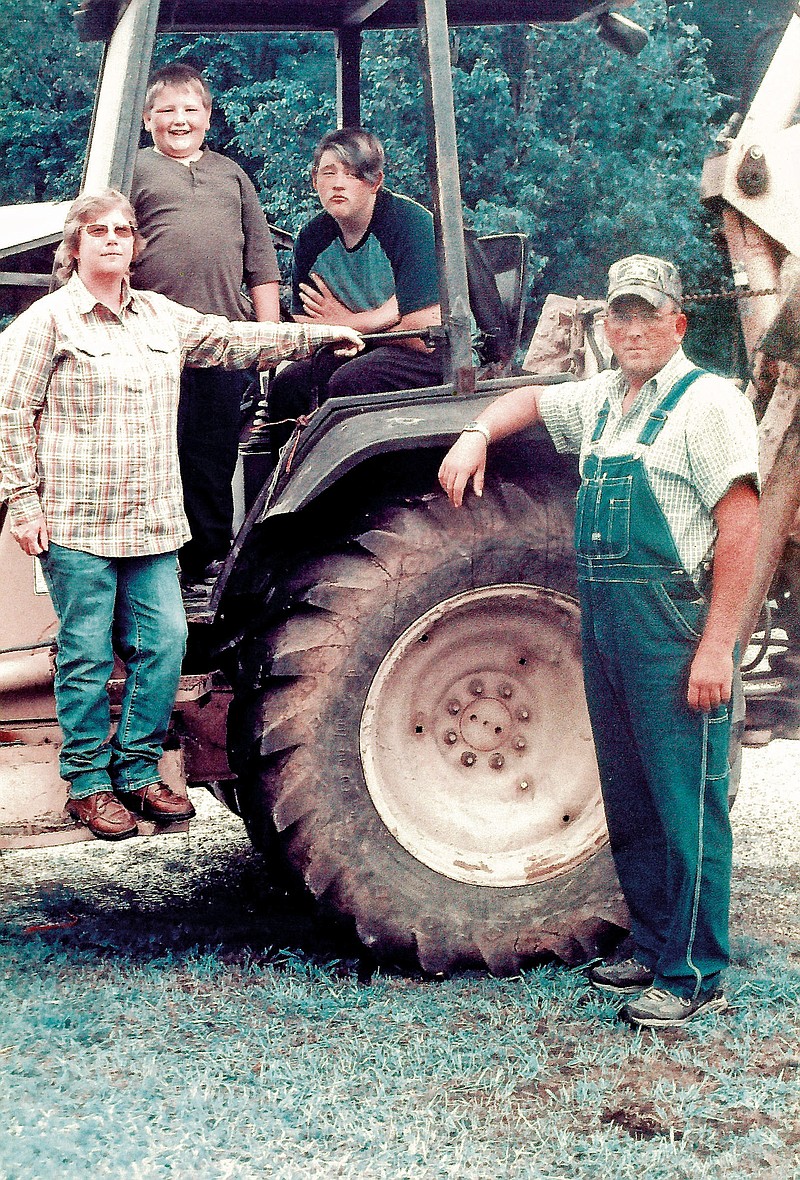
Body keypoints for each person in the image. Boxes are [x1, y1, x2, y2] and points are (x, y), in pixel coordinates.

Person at [439, 254, 761, 1029]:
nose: (635, 328)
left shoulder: (709, 405)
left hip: (672, 627)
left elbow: (742, 525)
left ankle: (693, 973)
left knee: (687, 800)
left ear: (679, 322)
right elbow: (529, 398)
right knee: (632, 795)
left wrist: (716, 648)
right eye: (622, 314)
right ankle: (651, 945)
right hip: (609, 625)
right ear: (606, 326)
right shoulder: (605, 399)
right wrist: (476, 432)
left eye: (650, 314)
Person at [0, 189, 361, 841]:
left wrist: (318, 336)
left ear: (136, 246)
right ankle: (86, 784)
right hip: (78, 524)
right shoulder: (47, 323)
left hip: (152, 524)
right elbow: (9, 412)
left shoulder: (161, 317)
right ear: (75, 246)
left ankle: (138, 772)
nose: (113, 239)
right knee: (84, 653)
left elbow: (233, 340)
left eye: (124, 230)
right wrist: (22, 502)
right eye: (99, 231)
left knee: (164, 644)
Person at [130, 63, 281, 589]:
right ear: (147, 118)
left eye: (190, 110)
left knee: (212, 453)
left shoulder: (231, 175)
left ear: (208, 118)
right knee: (155, 452)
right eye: (166, 110)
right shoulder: (134, 172)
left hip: (223, 342)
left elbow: (261, 261)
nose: (179, 120)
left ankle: (207, 560)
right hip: (150, 343)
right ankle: (152, 565)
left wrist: (267, 341)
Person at [267, 127, 444, 449]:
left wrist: (348, 324)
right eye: (328, 172)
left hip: (437, 357)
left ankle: (355, 487)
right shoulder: (311, 239)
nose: (337, 183)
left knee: (352, 381)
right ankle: (287, 482)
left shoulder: (411, 224)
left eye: (352, 174)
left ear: (375, 181)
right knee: (288, 385)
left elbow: (423, 336)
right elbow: (309, 330)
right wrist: (381, 316)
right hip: (359, 349)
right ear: (314, 180)